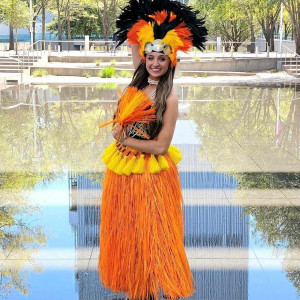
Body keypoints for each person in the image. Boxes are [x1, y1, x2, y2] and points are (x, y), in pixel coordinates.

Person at [98, 1, 207, 299]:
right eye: (151, 57)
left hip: (150, 175)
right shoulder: (137, 84)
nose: (155, 63)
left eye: (162, 58)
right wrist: (147, 19)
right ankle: (137, 284)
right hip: (123, 172)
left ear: (171, 62)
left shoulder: (168, 97)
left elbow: (161, 146)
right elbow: (134, 40)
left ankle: (153, 285)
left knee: (152, 235)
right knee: (129, 233)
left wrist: (124, 141)